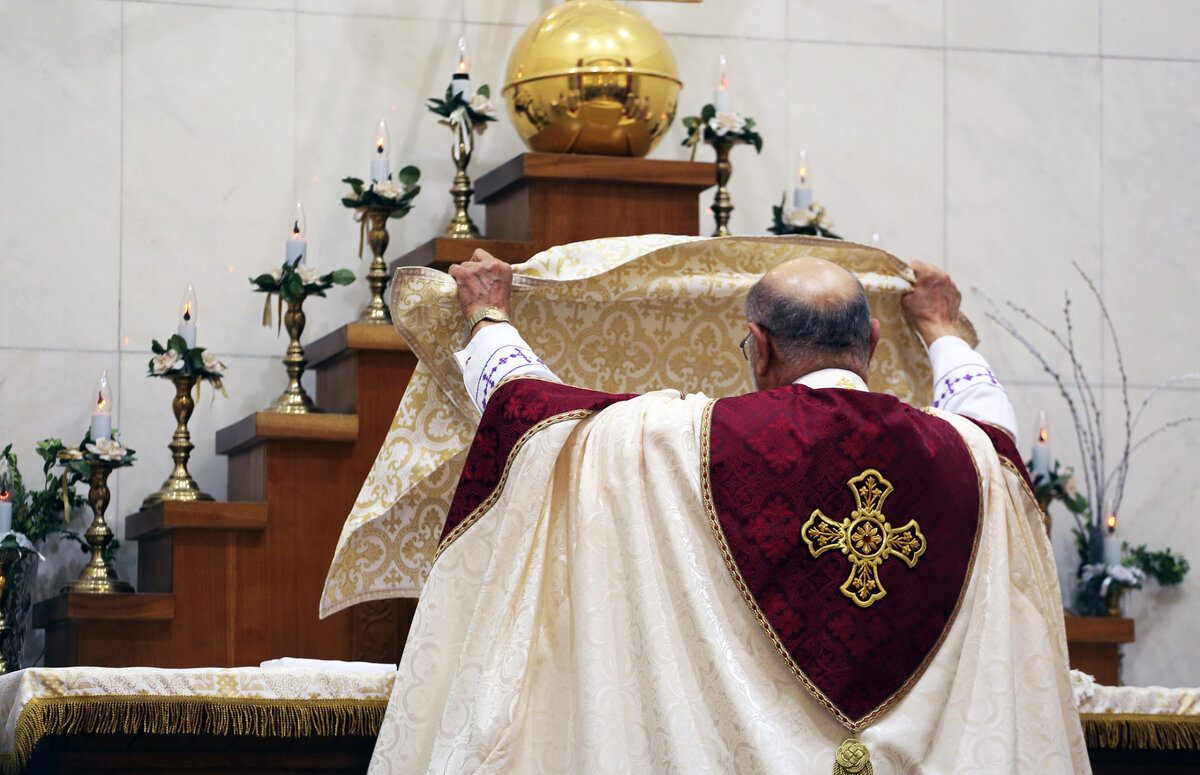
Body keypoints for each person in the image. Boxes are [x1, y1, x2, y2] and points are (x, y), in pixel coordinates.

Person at [367, 250, 1088, 774]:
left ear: (760, 346)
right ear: (869, 344)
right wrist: (943, 328)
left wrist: (489, 316)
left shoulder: (676, 440)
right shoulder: (972, 459)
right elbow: (990, 416)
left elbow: (534, 415)